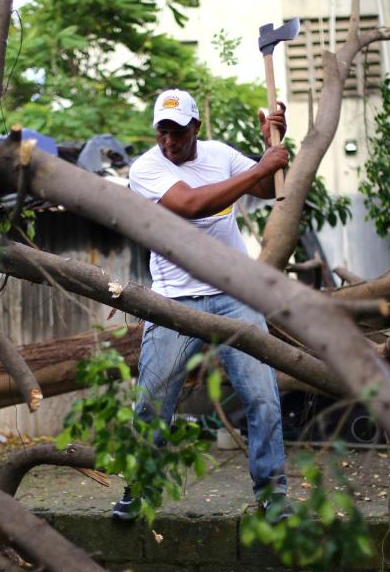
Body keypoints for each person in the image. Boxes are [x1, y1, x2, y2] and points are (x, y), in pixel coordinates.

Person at [113, 89, 291, 522]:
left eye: (177, 132)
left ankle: (272, 494)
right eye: (162, 131)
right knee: (152, 403)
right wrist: (261, 168)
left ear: (195, 127)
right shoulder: (146, 168)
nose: (169, 141)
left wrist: (273, 142)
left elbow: (268, 187)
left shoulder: (219, 154)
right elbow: (189, 205)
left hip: (234, 291)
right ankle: (140, 489)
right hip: (175, 299)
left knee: (263, 396)